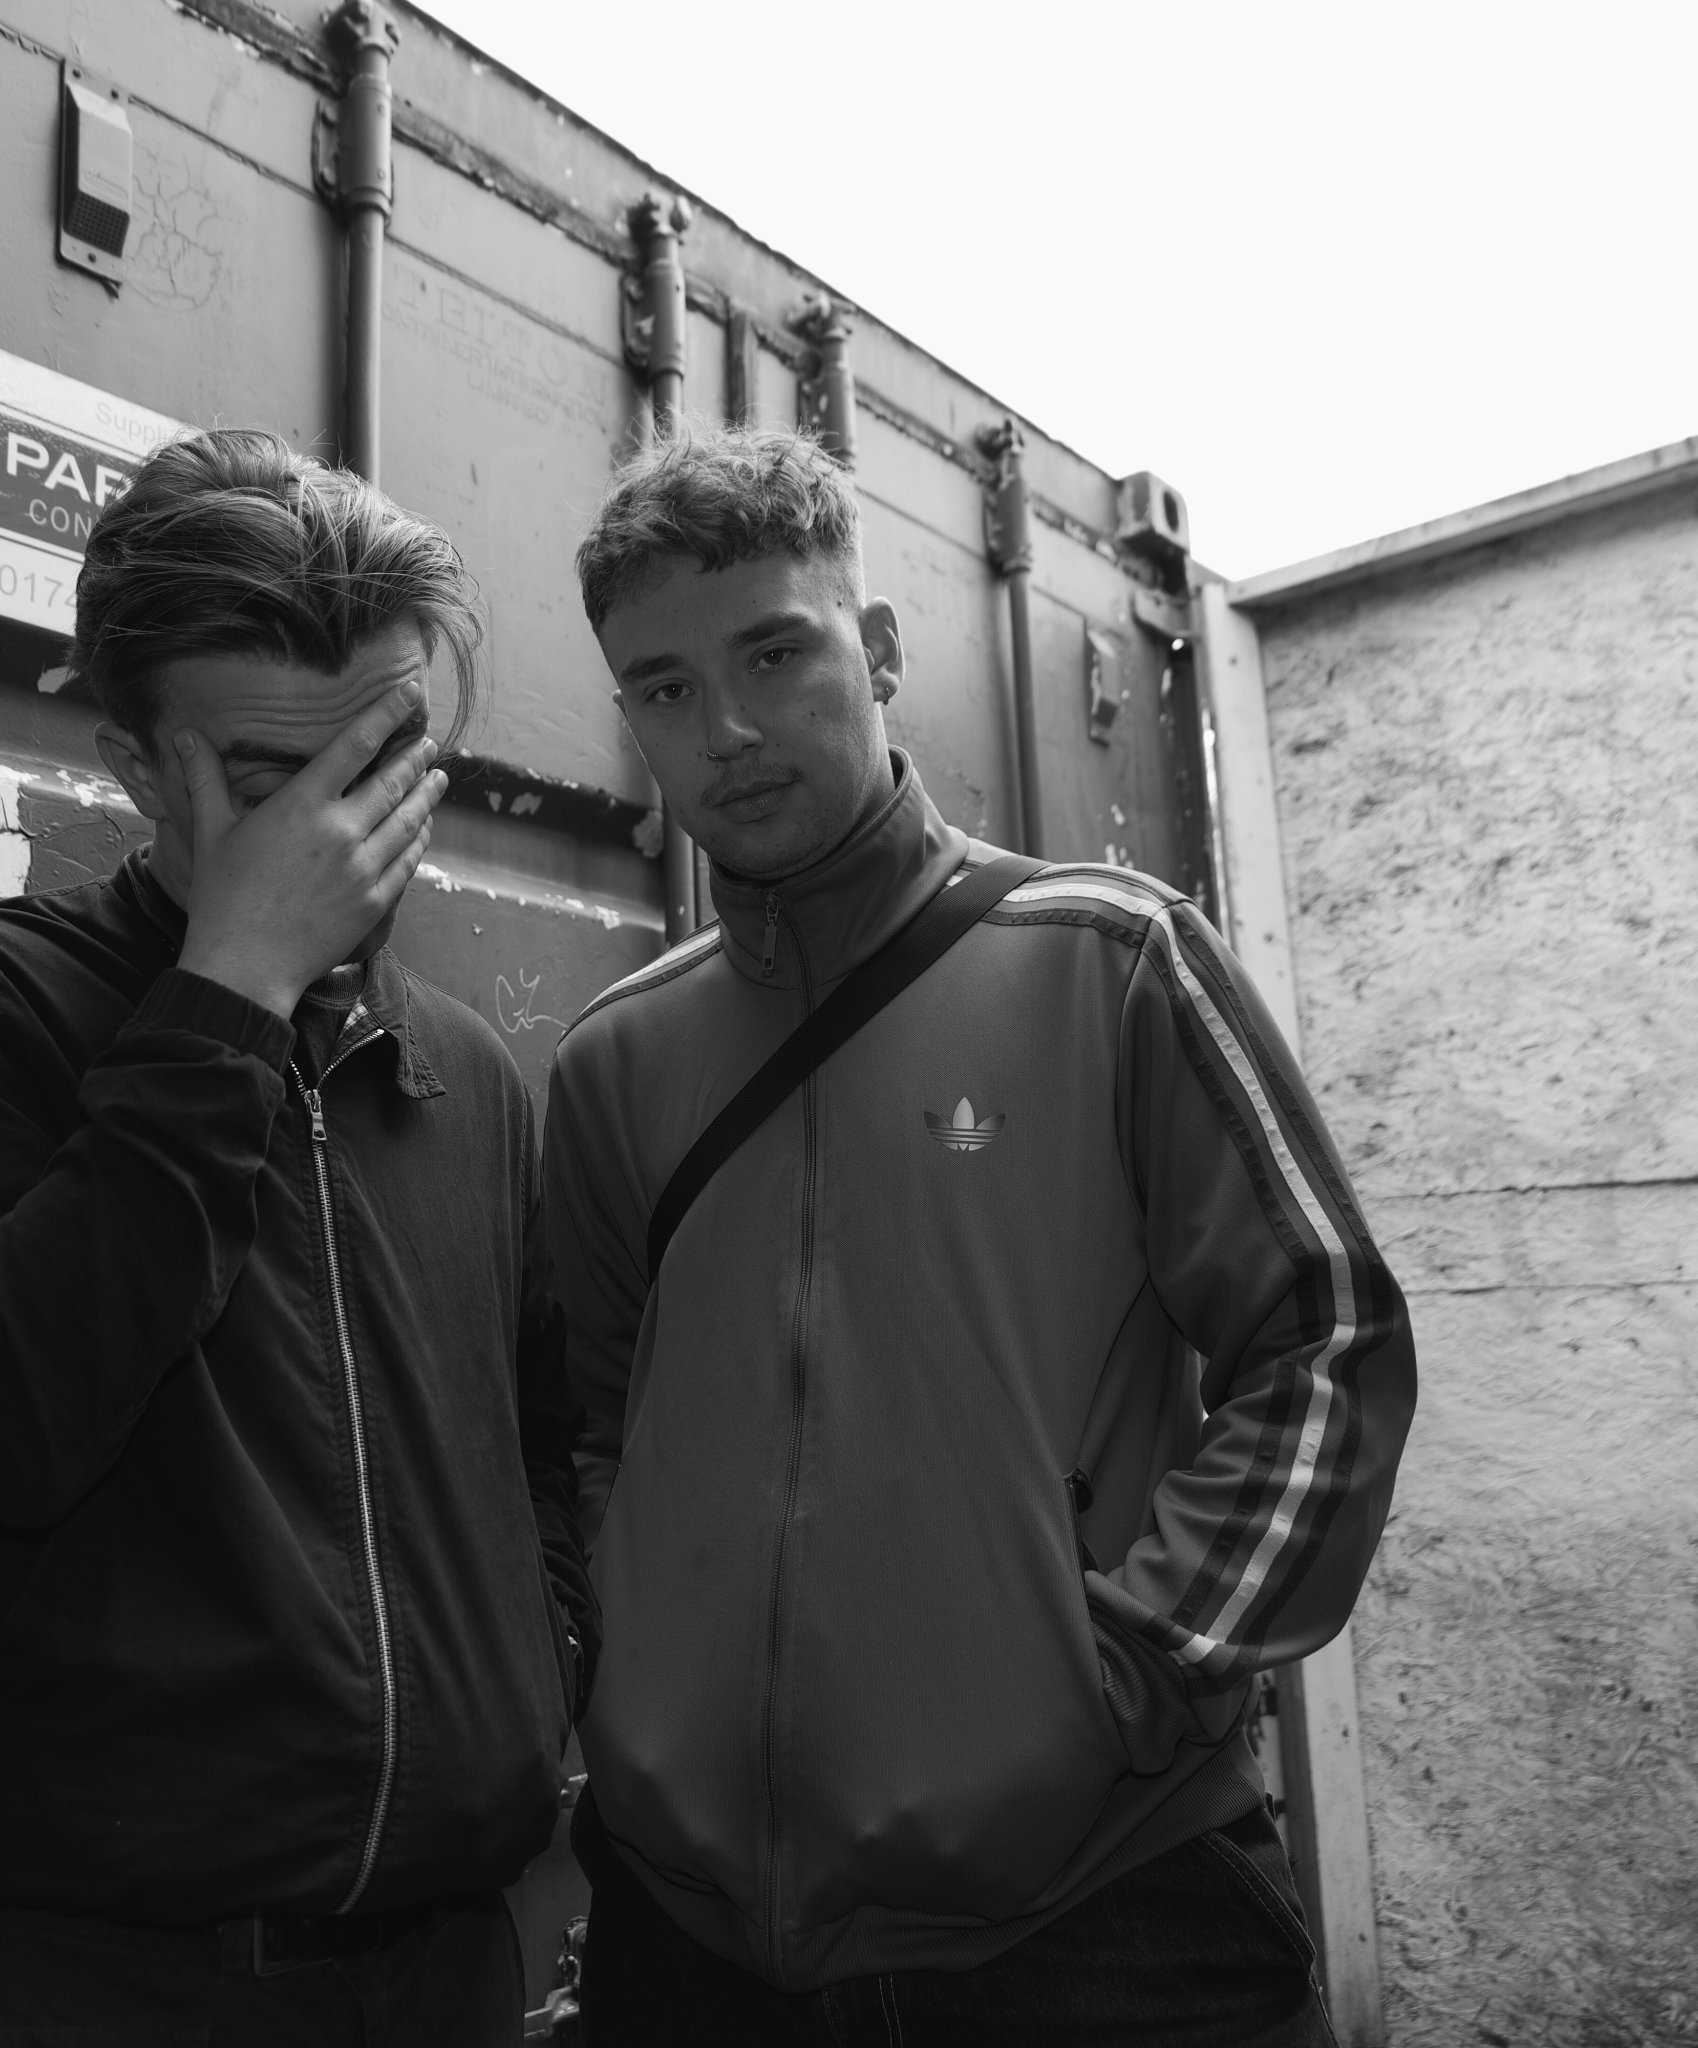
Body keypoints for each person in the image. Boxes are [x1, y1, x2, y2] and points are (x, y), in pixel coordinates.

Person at [539, 427, 1417, 2044]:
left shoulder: (1114, 964)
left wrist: (1122, 1680)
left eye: (774, 654)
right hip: (697, 1943)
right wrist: (643, 1695)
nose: (725, 729)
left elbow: (1327, 1344)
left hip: (1099, 1917)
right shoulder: (614, 1061)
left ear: (876, 651)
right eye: (664, 688)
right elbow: (594, 1429)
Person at [0, 430, 593, 2045]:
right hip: (81, 1980)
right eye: (269, 783)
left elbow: (542, 1458)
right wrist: (231, 992)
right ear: (132, 768)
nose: (344, 826)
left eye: (387, 758)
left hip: (440, 1970)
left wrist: (539, 1690)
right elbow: (0, 1426)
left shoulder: (470, 1072)